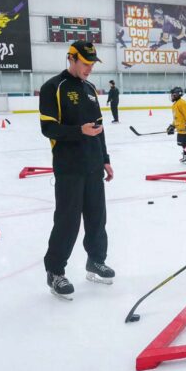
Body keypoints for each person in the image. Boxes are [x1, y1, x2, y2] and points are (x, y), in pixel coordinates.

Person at [38, 40, 115, 300]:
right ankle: (55, 271)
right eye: (85, 63)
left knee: (97, 219)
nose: (90, 68)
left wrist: (105, 158)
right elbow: (48, 129)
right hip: (69, 167)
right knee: (67, 222)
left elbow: (99, 129)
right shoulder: (53, 88)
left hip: (93, 165)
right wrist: (77, 132)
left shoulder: (91, 89)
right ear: (71, 59)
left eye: (92, 63)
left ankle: (95, 260)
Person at [166, 86, 186, 165]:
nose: (171, 96)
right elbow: (176, 118)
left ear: (177, 95)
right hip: (180, 127)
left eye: (173, 95)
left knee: (184, 143)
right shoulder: (175, 105)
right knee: (182, 143)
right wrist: (172, 126)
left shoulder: (182, 103)